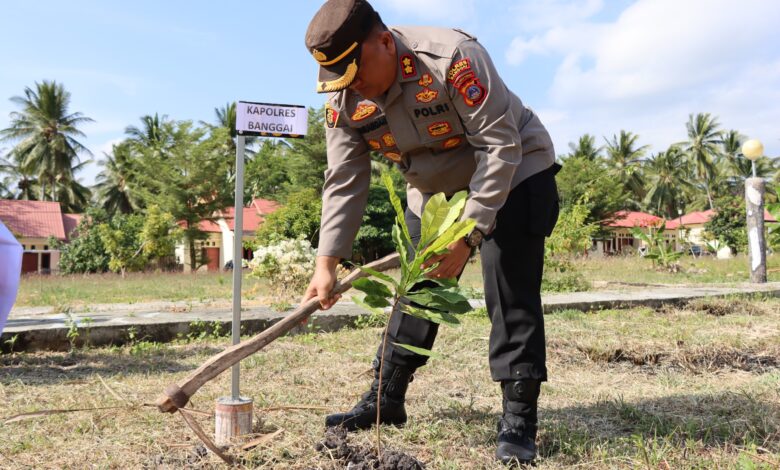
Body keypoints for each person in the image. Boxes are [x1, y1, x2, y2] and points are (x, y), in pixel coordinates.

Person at [302, 0, 560, 464]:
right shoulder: (343, 97)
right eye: (343, 80)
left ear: (384, 41)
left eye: (357, 72)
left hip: (515, 174)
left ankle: (519, 419)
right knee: (419, 290)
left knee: (509, 287)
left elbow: (501, 147)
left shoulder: (453, 58)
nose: (355, 87)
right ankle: (386, 399)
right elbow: (343, 179)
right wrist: (327, 263)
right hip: (436, 194)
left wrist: (469, 237)